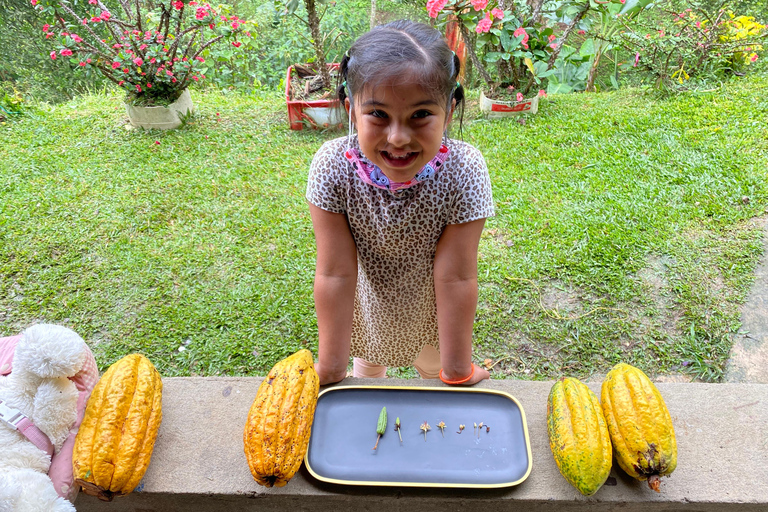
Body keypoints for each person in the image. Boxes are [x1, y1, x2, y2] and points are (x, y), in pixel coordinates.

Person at [306, 20, 494, 386]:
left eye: (421, 115)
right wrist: (330, 368)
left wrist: (456, 370)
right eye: (377, 114)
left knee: (431, 379)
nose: (397, 137)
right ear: (350, 108)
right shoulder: (331, 167)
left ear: (449, 112)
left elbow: (455, 277)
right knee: (368, 378)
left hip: (431, 314)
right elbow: (335, 272)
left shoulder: (465, 170)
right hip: (364, 310)